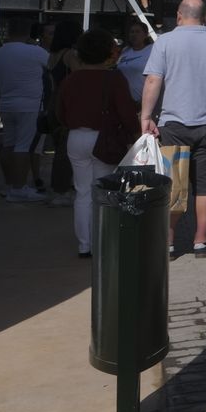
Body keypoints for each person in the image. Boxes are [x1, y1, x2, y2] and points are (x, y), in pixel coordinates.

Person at [141, 0, 206, 256]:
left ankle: (168, 242)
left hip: (173, 124)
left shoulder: (164, 42)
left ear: (179, 15)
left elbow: (153, 81)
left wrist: (146, 116)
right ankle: (201, 240)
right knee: (205, 183)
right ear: (205, 16)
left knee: (174, 182)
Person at [56, 28, 137, 258]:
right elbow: (127, 113)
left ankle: (84, 244)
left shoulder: (71, 79)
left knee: (82, 192)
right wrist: (134, 136)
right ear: (108, 52)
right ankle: (104, 241)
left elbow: (59, 113)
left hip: (76, 137)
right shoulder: (114, 79)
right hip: (104, 139)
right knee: (105, 192)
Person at [0, 23, 50, 203]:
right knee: (23, 146)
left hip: (6, 103)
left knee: (8, 144)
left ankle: (10, 185)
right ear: (27, 34)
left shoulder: (0, 52)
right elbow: (51, 64)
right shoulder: (34, 51)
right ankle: (19, 188)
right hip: (29, 105)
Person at [42, 19, 83, 206]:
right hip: (67, 104)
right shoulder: (69, 55)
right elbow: (81, 77)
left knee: (61, 147)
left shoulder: (53, 54)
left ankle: (60, 188)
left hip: (53, 103)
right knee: (66, 150)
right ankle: (63, 190)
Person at [115, 20, 153, 106]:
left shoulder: (152, 50)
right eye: (132, 32)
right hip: (123, 100)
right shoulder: (125, 51)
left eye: (138, 32)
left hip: (142, 101)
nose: (134, 34)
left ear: (146, 34)